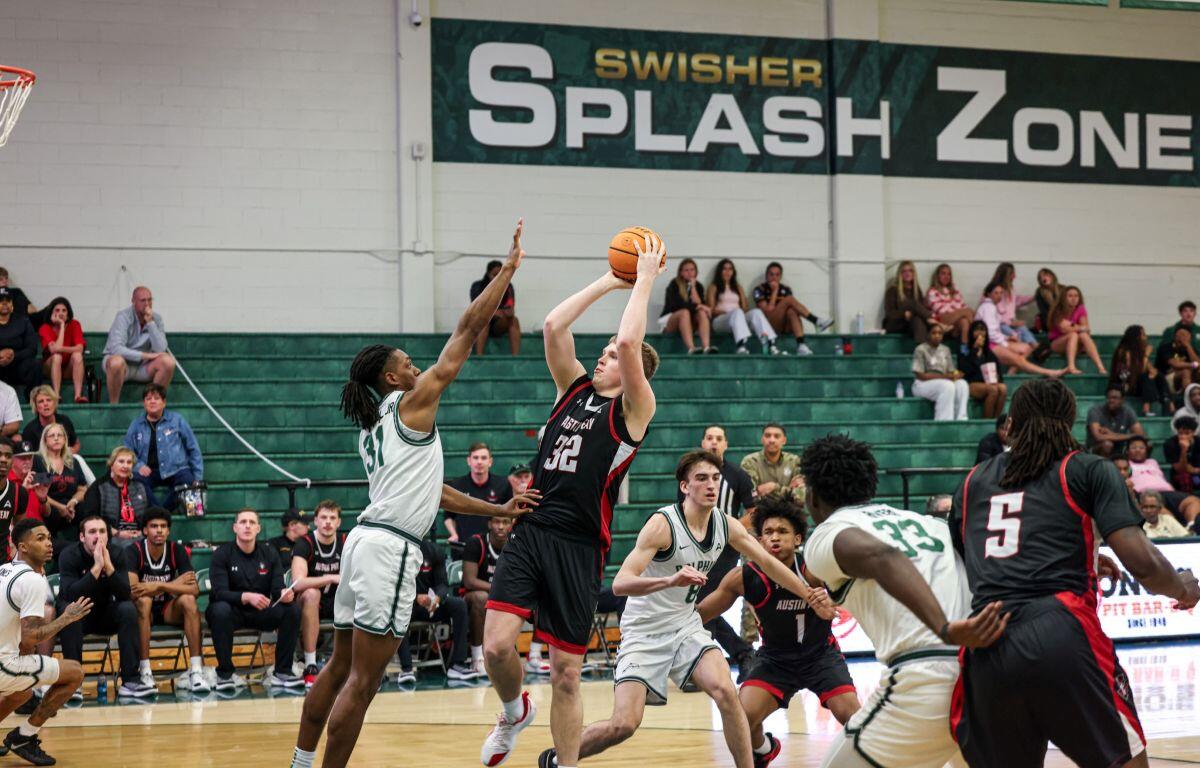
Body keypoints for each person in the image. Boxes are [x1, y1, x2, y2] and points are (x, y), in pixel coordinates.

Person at [293, 221, 536, 768]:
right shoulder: (413, 402)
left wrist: (498, 508)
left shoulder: (372, 425)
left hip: (364, 543)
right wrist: (508, 272)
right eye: (406, 361)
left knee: (337, 669)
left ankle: (301, 763)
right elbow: (467, 329)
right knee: (363, 681)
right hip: (390, 550)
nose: (416, 365)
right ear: (391, 376)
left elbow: (436, 493)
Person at [479, 229, 664, 768]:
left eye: (611, 354)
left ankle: (566, 763)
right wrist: (612, 279)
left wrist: (645, 281)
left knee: (565, 675)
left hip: (580, 546)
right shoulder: (574, 389)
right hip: (533, 530)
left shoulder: (633, 412)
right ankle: (514, 710)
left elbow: (631, 344)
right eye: (602, 352)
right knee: (495, 646)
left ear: (634, 377)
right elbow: (554, 325)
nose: (605, 356)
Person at [949, 378, 1199, 768]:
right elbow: (1143, 562)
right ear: (1069, 423)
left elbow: (978, 555)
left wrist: (1076, 553)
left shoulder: (972, 480)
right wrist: (1180, 587)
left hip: (987, 644)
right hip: (1061, 631)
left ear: (1013, 422)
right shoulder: (1085, 468)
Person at [550, 451, 831, 768]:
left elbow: (767, 563)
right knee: (624, 724)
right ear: (685, 486)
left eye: (715, 478)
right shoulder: (662, 525)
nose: (711, 485)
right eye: (701, 479)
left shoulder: (726, 525)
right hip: (643, 632)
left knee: (726, 691)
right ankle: (560, 758)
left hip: (686, 627)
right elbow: (620, 584)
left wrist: (808, 593)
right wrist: (671, 580)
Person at [799, 435, 1007, 768]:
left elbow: (881, 555)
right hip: (989, 676)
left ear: (811, 495)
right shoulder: (932, 524)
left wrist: (944, 627)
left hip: (927, 680)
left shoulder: (828, 534)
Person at [697, 495, 859, 768]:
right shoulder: (744, 577)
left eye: (782, 531)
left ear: (797, 539)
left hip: (820, 656)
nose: (774, 538)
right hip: (775, 660)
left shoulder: (814, 569)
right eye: (768, 532)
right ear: (759, 541)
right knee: (741, 720)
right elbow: (702, 613)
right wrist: (668, 620)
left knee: (855, 720)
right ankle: (763, 749)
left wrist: (832, 599)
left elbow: (853, 590)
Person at [0, 519, 90, 765]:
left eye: (49, 538)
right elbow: (30, 638)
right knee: (74, 672)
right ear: (23, 547)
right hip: (3, 665)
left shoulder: (4, 570)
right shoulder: (32, 580)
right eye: (40, 538)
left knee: (22, 692)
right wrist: (66, 618)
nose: (49, 543)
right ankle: (24, 737)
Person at [679, 425, 758, 678]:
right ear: (703, 443)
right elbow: (681, 507)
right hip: (695, 545)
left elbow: (754, 511)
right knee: (698, 605)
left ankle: (708, 663)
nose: (714, 442)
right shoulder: (690, 476)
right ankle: (741, 653)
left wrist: (727, 530)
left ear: (726, 444)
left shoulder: (737, 475)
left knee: (704, 603)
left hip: (724, 550)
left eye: (719, 439)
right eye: (710, 438)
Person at [58, 513, 154, 698]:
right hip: (78, 615)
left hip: (104, 612)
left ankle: (130, 681)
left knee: (127, 609)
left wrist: (108, 567)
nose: (98, 536)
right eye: (92, 532)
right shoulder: (69, 555)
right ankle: (73, 684)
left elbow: (125, 594)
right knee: (69, 612)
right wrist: (96, 568)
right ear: (82, 537)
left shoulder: (117, 553)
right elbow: (70, 594)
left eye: (102, 531)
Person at [206, 508, 302, 690]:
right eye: (243, 522)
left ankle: (282, 672)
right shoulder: (222, 553)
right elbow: (218, 592)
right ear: (235, 527)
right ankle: (225, 674)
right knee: (219, 609)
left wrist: (284, 594)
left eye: (252, 522)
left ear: (259, 528)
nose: (247, 526)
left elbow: (276, 588)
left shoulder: (269, 553)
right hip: (231, 611)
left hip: (261, 610)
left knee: (292, 610)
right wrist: (246, 597)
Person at [127, 507, 207, 693]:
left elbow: (194, 589)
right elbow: (133, 591)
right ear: (145, 530)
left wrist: (160, 586)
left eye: (163, 526)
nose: (159, 530)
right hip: (143, 612)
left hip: (168, 608)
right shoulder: (134, 551)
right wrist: (175, 583)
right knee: (144, 602)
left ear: (169, 530)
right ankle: (145, 671)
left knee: (188, 600)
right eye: (154, 526)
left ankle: (196, 670)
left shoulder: (176, 550)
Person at [396, 535, 477, 682]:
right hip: (408, 605)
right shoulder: (399, 550)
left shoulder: (433, 550)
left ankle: (457, 665)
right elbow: (394, 584)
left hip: (431, 605)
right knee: (398, 611)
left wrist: (438, 597)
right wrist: (415, 597)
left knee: (459, 605)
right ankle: (406, 669)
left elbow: (442, 584)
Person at [287, 500, 345, 689]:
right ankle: (310, 665)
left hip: (337, 601)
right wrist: (330, 578)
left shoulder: (346, 542)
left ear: (339, 522)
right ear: (316, 521)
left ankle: (352, 666)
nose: (328, 522)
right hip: (309, 603)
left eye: (332, 518)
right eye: (323, 518)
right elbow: (298, 583)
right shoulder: (305, 542)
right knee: (312, 593)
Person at [124, 384, 203, 510]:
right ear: (144, 403)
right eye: (148, 399)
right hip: (149, 471)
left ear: (164, 402)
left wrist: (198, 477)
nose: (152, 401)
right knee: (135, 481)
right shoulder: (136, 424)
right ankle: (160, 514)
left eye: (156, 398)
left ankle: (160, 513)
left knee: (188, 480)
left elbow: (193, 448)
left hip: (176, 469)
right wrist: (138, 465)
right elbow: (127, 450)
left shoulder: (177, 420)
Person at [102, 286, 175, 404]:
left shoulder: (157, 319)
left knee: (168, 362)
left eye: (150, 300)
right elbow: (115, 348)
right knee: (116, 362)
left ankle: (150, 403)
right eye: (143, 300)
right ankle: (114, 406)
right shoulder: (123, 316)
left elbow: (161, 348)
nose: (147, 304)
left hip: (143, 368)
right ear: (133, 301)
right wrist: (144, 355)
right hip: (122, 366)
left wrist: (150, 323)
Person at [976, 281, 1063, 377]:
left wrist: (1007, 338)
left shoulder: (992, 307)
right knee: (1019, 359)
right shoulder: (988, 307)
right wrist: (1005, 343)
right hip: (986, 344)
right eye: (996, 293)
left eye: (1001, 293)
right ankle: (1049, 372)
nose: (999, 295)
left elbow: (995, 331)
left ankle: (1011, 373)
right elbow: (990, 333)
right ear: (989, 294)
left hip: (994, 341)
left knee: (1027, 347)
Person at [462, 516, 513, 677]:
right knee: (481, 597)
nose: (501, 527)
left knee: (540, 595)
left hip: (502, 596)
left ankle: (534, 655)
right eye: (497, 522)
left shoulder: (515, 545)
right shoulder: (476, 543)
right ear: (490, 524)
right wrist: (498, 589)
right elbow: (469, 581)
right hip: (472, 597)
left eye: (505, 522)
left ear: (511, 525)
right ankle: (477, 658)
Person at [754, 261, 830, 356]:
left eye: (777, 275)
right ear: (766, 275)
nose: (774, 277)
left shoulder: (786, 289)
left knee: (792, 311)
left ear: (780, 276)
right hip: (769, 326)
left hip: (785, 325)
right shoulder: (759, 289)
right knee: (789, 299)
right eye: (771, 274)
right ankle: (816, 321)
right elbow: (768, 312)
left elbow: (793, 309)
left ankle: (801, 345)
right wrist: (774, 291)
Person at [77, 445, 149, 543]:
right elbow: (90, 518)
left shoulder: (140, 486)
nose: (125, 466)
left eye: (129, 462)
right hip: (110, 536)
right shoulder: (99, 487)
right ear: (112, 464)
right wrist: (116, 532)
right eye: (121, 461)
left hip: (139, 535)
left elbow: (151, 513)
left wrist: (143, 531)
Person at [444, 442, 512, 547]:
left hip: (493, 548)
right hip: (464, 545)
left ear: (490, 461)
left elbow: (510, 515)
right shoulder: (456, 485)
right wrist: (454, 534)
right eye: (475, 458)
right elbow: (448, 516)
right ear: (469, 461)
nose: (479, 462)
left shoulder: (503, 484)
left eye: (484, 458)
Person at [706, 259, 779, 355]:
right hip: (720, 321)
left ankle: (770, 343)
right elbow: (711, 310)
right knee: (736, 312)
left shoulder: (738, 287)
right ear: (720, 271)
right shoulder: (714, 286)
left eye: (730, 269)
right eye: (724, 269)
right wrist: (730, 313)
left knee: (756, 312)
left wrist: (738, 313)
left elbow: (745, 308)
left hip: (737, 318)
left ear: (733, 272)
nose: (727, 272)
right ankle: (741, 346)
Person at [30, 424, 88, 544]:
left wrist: (72, 502)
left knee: (86, 508)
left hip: (70, 506)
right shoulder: (38, 461)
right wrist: (60, 507)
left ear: (65, 439)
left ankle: (85, 543)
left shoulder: (73, 461)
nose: (56, 438)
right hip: (49, 506)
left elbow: (82, 488)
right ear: (45, 440)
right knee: (51, 512)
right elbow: (39, 491)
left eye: (60, 435)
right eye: (52, 436)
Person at [1126, 435, 1200, 528]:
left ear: (1146, 450)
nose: (1138, 450)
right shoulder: (1126, 464)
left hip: (1167, 493)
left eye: (1141, 447)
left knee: (1193, 501)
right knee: (1159, 508)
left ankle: (1191, 527)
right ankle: (1181, 532)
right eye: (1134, 447)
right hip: (1146, 494)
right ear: (1127, 451)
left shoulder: (1152, 462)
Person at [910, 324, 969, 422]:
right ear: (928, 335)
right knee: (947, 385)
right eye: (934, 333)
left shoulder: (945, 350)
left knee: (962, 384)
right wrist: (945, 377)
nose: (937, 336)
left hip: (943, 380)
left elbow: (950, 370)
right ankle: (944, 421)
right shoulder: (920, 349)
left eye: (940, 333)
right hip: (922, 384)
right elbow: (920, 375)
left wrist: (956, 374)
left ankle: (961, 419)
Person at [36, 297, 86, 404]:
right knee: (57, 356)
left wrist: (60, 348)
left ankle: (78, 396)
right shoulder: (44, 328)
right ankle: (56, 395)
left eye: (64, 310)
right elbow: (54, 350)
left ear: (68, 313)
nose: (61, 313)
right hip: (50, 368)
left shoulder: (74, 324)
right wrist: (62, 326)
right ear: (51, 313)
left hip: (68, 368)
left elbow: (80, 348)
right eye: (57, 310)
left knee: (77, 355)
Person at [658, 258, 713, 354]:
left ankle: (706, 347)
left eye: (692, 270)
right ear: (681, 272)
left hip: (689, 322)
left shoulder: (698, 286)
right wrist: (698, 306)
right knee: (685, 312)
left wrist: (693, 288)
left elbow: (700, 304)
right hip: (671, 321)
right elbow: (676, 305)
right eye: (686, 270)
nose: (690, 273)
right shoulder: (674, 284)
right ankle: (691, 348)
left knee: (701, 312)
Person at [1110, 325, 1168, 417]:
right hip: (1125, 385)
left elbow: (1151, 369)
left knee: (1159, 376)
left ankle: (1168, 404)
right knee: (1145, 377)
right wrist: (1146, 355)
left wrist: (1153, 372)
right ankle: (1146, 409)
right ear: (1136, 337)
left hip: (1137, 384)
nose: (1146, 338)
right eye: (1143, 335)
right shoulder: (1124, 352)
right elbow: (1137, 372)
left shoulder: (1139, 351)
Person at [1048, 285, 1106, 375]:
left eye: (1076, 296)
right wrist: (1080, 327)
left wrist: (1072, 325)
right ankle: (1071, 367)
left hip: (1076, 344)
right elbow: (1064, 330)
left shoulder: (1081, 308)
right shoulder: (1058, 310)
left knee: (1083, 335)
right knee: (1073, 335)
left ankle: (1100, 367)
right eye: (1070, 296)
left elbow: (1086, 330)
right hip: (1057, 343)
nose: (1074, 298)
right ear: (1064, 298)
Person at [741, 423, 803, 503]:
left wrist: (774, 487)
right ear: (762, 439)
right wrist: (788, 490)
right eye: (767, 436)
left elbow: (801, 496)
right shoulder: (750, 462)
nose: (771, 440)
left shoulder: (794, 461)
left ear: (784, 440)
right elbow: (750, 496)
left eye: (776, 436)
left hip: (789, 513)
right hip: (759, 513)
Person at [471, 259, 521, 357]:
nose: (497, 278)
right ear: (488, 274)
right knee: (483, 321)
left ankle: (516, 357)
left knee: (514, 320)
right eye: (494, 275)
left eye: (500, 275)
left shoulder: (508, 287)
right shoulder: (478, 286)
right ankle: (479, 356)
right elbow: (476, 308)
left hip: (498, 323)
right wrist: (492, 312)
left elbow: (510, 307)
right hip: (482, 323)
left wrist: (509, 312)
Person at [959, 320, 1007, 419]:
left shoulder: (988, 352)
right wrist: (975, 350)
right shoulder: (964, 350)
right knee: (993, 390)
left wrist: (997, 378)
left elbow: (997, 370)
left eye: (983, 330)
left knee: (1003, 388)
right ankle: (986, 421)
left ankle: (996, 419)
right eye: (977, 330)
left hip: (987, 383)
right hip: (970, 383)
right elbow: (965, 370)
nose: (980, 333)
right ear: (971, 333)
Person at [0, 288, 40, 401]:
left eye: (7, 300)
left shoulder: (23, 321)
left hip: (17, 365)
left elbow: (32, 348)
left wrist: (13, 355)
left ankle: (33, 401)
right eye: (0, 301)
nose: (4, 303)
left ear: (12, 304)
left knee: (35, 365)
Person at [0, 443, 37, 560]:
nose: (3, 460)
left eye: (8, 456)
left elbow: (20, 531)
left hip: (4, 563)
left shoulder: (18, 492)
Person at [883, 260, 933, 344]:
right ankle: (931, 319)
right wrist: (903, 314)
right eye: (904, 271)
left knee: (918, 321)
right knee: (912, 303)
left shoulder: (917, 290)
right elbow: (890, 313)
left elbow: (920, 310)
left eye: (910, 270)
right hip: (895, 324)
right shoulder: (892, 290)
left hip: (910, 323)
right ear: (900, 274)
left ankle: (921, 352)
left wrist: (911, 315)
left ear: (914, 273)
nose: (907, 273)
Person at [1086, 387, 1145, 457]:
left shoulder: (1127, 411)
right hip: (1096, 448)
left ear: (1122, 400)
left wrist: (1111, 434)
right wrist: (1130, 436)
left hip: (1120, 448)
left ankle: (1140, 467)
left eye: (1115, 398)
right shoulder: (1095, 411)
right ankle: (1104, 467)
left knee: (1147, 444)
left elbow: (1140, 434)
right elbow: (1098, 437)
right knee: (1107, 444)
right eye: (1109, 398)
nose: (1111, 400)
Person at [989, 261, 1037, 345]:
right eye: (1012, 274)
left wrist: (1033, 298)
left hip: (1011, 323)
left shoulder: (1010, 289)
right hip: (999, 326)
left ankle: (1038, 350)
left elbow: (1016, 301)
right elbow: (995, 314)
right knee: (1015, 335)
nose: (1015, 276)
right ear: (1006, 275)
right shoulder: (994, 291)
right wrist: (1011, 323)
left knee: (1025, 332)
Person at [924, 263, 974, 344]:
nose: (946, 276)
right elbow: (941, 311)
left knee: (964, 321)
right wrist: (962, 312)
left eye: (949, 274)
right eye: (943, 273)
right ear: (937, 276)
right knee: (968, 312)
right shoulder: (932, 291)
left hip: (954, 323)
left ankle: (964, 350)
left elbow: (963, 305)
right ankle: (977, 337)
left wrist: (962, 312)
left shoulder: (954, 291)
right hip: (941, 321)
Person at [21, 385, 79, 453]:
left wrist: (73, 451)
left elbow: (76, 443)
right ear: (35, 406)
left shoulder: (65, 421)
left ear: (54, 403)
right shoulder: (29, 430)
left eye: (49, 400)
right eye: (41, 401)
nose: (45, 404)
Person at [1156, 326, 1200, 401]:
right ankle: (1188, 400)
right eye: (1180, 335)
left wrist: (1188, 346)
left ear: (1190, 338)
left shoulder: (1190, 349)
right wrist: (1192, 365)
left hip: (1185, 380)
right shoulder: (1166, 347)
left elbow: (1198, 364)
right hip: (1165, 379)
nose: (1182, 338)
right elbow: (1174, 364)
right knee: (1185, 371)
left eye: (1185, 335)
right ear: (1175, 337)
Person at [1164, 416, 1200, 496]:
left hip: (1197, 473)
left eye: (1187, 433)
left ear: (1193, 433)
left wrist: (1195, 470)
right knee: (1184, 476)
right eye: (1180, 433)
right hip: (1180, 476)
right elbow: (1179, 468)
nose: (1183, 436)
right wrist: (1183, 450)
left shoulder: (1198, 442)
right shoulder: (1170, 444)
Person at [1033, 267, 1061, 336]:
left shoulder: (1062, 289)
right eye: (1041, 277)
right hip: (1049, 321)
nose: (1043, 278)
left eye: (1045, 275)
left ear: (1052, 276)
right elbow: (1044, 312)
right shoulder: (1040, 292)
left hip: (1064, 319)